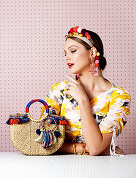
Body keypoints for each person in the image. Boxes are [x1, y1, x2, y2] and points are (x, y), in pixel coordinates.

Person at [40, 26, 131, 156]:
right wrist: (81, 148)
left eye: (73, 51)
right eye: (65, 53)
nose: (67, 57)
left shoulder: (119, 97)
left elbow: (94, 149)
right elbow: (44, 140)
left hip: (101, 169)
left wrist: (83, 101)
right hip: (59, 167)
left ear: (92, 53)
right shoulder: (59, 91)